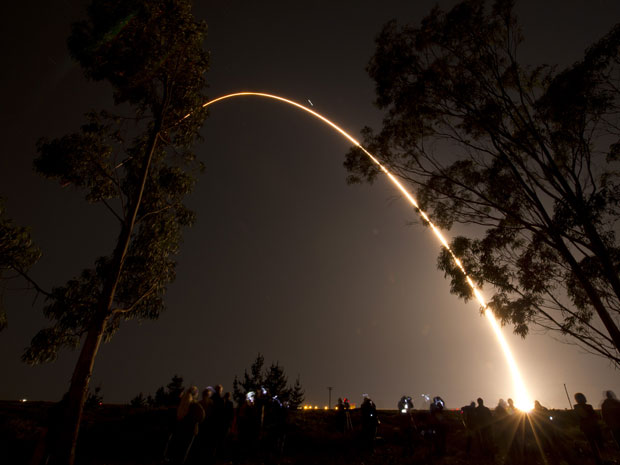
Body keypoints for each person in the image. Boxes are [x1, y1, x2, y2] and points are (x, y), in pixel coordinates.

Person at [165, 386, 205, 465]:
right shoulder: (195, 405)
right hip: (190, 430)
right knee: (184, 452)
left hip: (179, 429)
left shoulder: (181, 403)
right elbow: (202, 416)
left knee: (177, 450)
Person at [574, 392, 604, 465]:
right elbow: (584, 416)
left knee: (597, 444)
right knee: (594, 445)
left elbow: (593, 416)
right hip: (589, 427)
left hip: (592, 427)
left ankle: (602, 459)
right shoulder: (579, 407)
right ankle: (599, 460)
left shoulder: (587, 406)